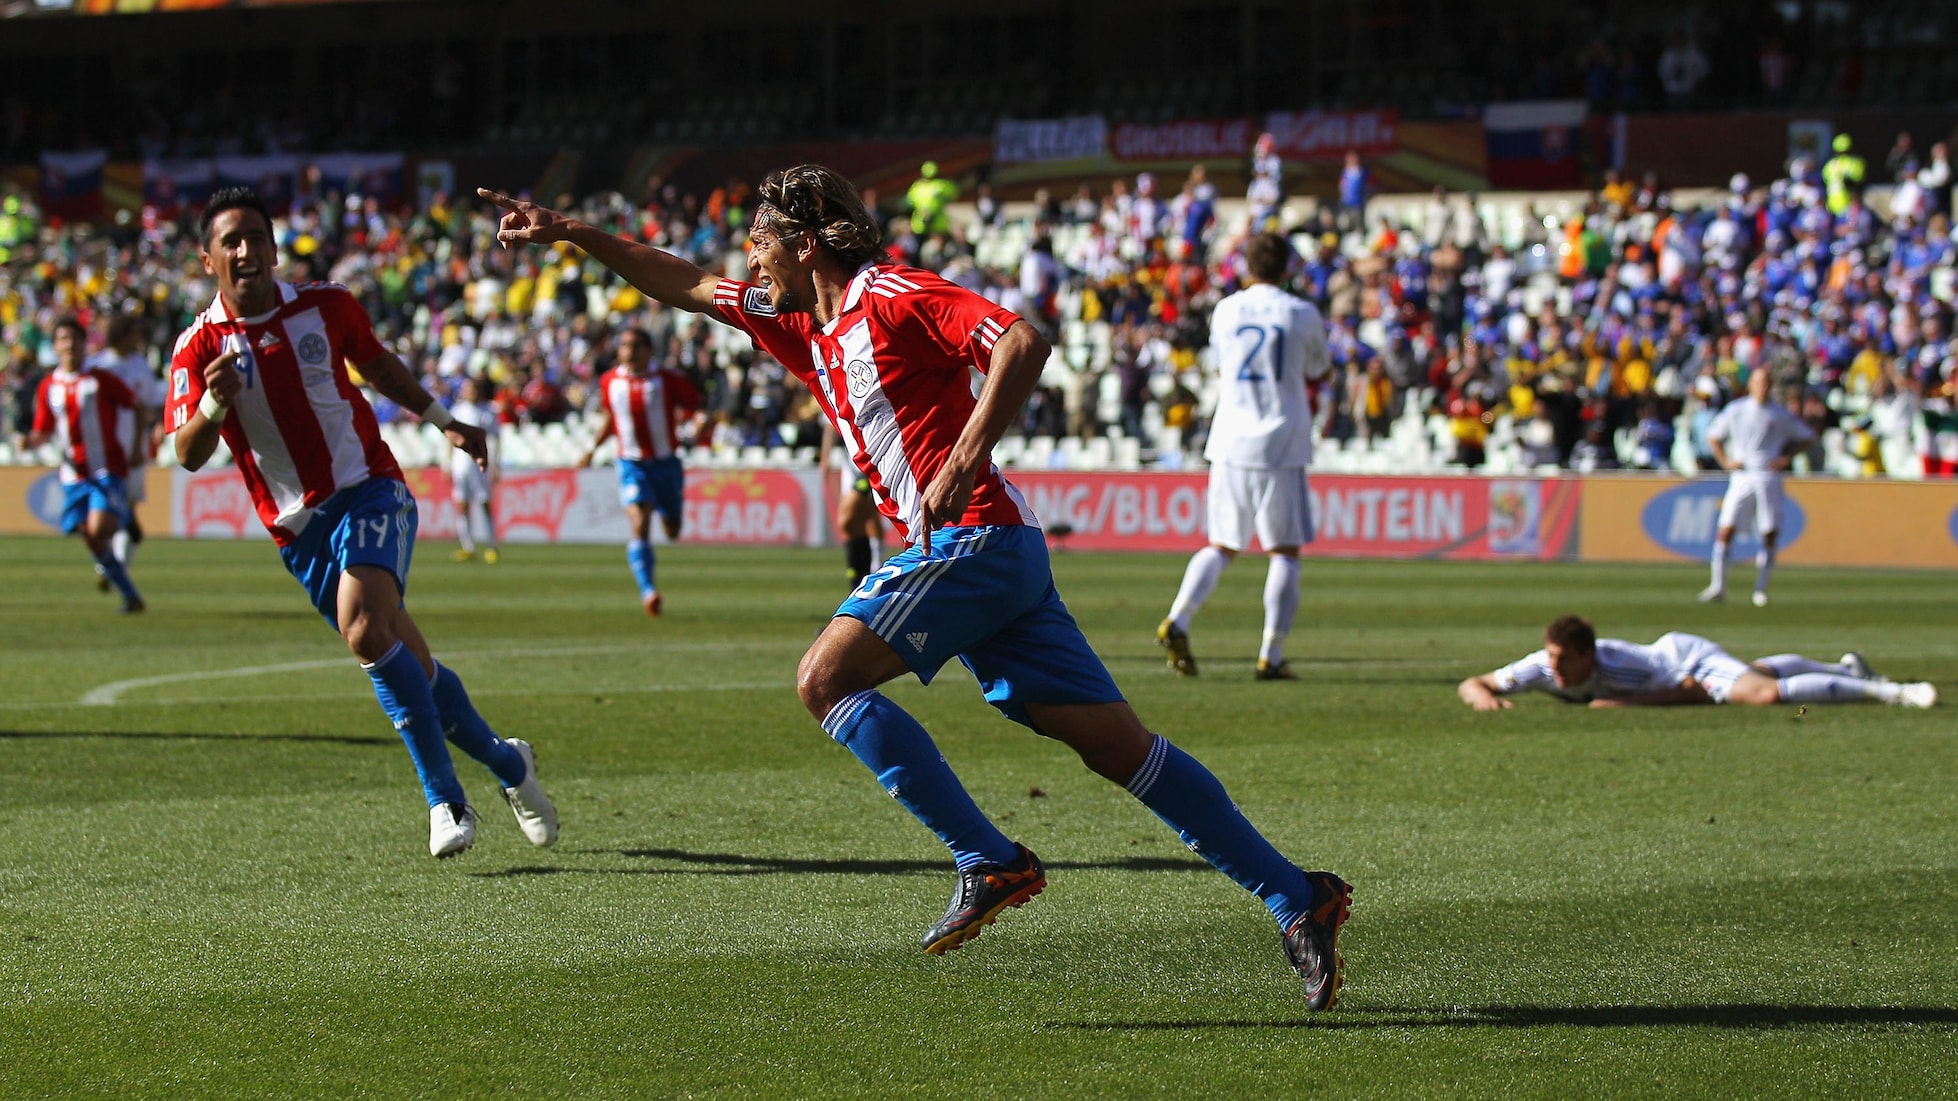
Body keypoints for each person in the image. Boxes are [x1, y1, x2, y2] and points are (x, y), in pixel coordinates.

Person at [482, 166, 1353, 1009]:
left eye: (758, 242)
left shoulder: (893, 296)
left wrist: (966, 454)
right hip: (999, 557)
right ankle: (1295, 895)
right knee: (1120, 749)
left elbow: (1021, 340)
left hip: (973, 538)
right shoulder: (800, 321)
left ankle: (988, 857)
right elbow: (680, 282)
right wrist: (571, 233)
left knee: (825, 679)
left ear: (806, 242)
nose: (748, 261)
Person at [168, 187, 558, 859]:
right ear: (208, 260)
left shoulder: (326, 306)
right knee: (412, 662)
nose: (245, 251)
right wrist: (211, 404)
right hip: (300, 532)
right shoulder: (198, 348)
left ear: (274, 247)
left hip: (370, 490)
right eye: (230, 241)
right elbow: (186, 452)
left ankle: (444, 799)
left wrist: (446, 422)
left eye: (256, 237)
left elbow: (376, 365)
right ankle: (508, 763)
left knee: (363, 626)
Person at [1156, 234, 1330, 681]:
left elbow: (1220, 364)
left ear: (1248, 267)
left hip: (1230, 438)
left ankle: (1179, 617)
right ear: (1287, 267)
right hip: (1281, 439)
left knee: (1221, 544)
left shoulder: (1227, 309)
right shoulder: (1301, 312)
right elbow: (1318, 370)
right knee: (1284, 552)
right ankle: (1271, 654)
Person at [1457, 615, 1937, 710]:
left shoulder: (1624, 669)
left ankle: (1894, 691)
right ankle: (1846, 670)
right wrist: (1483, 697)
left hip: (1689, 662)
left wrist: (1625, 704)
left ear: (1590, 655)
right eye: (1552, 658)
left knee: (1762, 693)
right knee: (1761, 673)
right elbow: (1474, 682)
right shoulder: (1541, 667)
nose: (1554, 669)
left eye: (1564, 660)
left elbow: (1690, 688)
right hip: (1675, 657)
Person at [19, 316, 146, 613]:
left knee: (99, 528)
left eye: (74, 339)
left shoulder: (100, 379)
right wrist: (29, 442)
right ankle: (131, 596)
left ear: (83, 343)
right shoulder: (49, 386)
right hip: (73, 474)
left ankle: (124, 516)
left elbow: (136, 405)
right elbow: (43, 429)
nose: (69, 345)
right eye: (63, 339)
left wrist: (138, 444)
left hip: (107, 468)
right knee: (89, 536)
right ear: (55, 346)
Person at [575, 326, 702, 617]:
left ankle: (669, 518)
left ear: (648, 350)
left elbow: (696, 405)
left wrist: (699, 425)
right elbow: (611, 418)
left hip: (666, 464)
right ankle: (649, 591)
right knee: (639, 523)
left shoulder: (667, 379)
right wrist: (591, 449)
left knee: (672, 529)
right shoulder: (610, 381)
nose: (628, 351)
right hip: (631, 464)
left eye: (634, 345)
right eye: (624, 346)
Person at [1698, 368, 1814, 606]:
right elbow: (1714, 436)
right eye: (1759, 382)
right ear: (1750, 385)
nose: (1763, 387)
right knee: (1726, 528)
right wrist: (1725, 461)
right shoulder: (1737, 410)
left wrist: (1786, 457)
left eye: (1766, 383)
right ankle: (1717, 585)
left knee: (1768, 531)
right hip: (1742, 476)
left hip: (1767, 476)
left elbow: (1807, 437)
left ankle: (1760, 589)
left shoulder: (1779, 414)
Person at [88, 314, 162, 583]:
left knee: (127, 503)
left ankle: (117, 567)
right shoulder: (97, 366)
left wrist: (154, 428)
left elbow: (152, 405)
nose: (139, 338)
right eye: (135, 332)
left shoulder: (140, 366)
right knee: (108, 508)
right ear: (123, 334)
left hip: (133, 448)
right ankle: (112, 562)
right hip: (102, 452)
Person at [822, 418, 883, 588]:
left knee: (849, 519)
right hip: (851, 466)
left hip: (872, 465)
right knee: (857, 523)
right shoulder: (831, 393)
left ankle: (872, 571)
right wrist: (825, 456)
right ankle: (862, 584)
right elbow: (829, 424)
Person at [447, 374, 501, 564]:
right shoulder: (457, 410)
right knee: (462, 504)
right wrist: (447, 463)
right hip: (460, 464)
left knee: (484, 503)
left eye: (471, 389)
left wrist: (496, 466)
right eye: (466, 389)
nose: (468, 392)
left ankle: (492, 545)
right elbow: (449, 438)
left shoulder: (488, 412)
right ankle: (468, 546)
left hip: (480, 463)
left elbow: (496, 439)